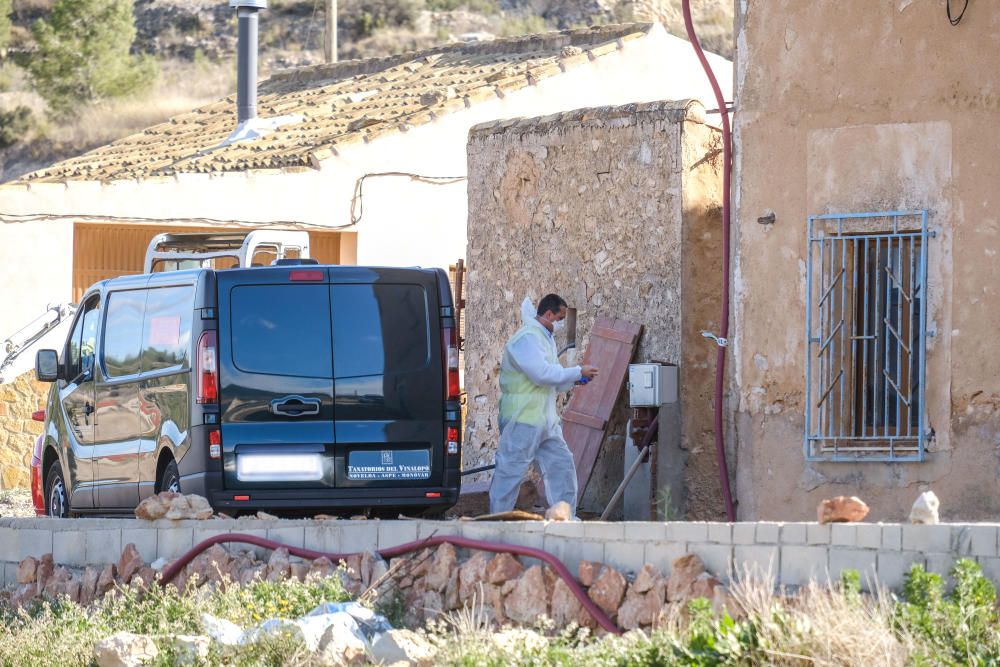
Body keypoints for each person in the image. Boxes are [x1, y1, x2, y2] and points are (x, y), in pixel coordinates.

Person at [488, 294, 599, 516]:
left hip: (544, 421)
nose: (561, 323)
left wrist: (574, 379)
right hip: (522, 419)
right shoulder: (527, 339)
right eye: (560, 317)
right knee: (510, 472)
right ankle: (495, 522)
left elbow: (552, 382)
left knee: (562, 467)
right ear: (548, 314)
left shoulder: (543, 338)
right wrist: (577, 371)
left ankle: (565, 518)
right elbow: (541, 375)